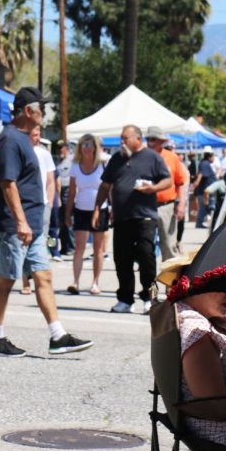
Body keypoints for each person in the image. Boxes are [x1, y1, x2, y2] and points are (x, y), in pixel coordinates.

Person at [0, 87, 92, 357]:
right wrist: (21, 222)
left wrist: (31, 224)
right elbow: (8, 184)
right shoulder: (9, 140)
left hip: (32, 226)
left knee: (43, 275)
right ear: (27, 111)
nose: (43, 113)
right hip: (15, 225)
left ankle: (58, 336)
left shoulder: (23, 140)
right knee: (6, 280)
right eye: (39, 108)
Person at [96, 125, 172, 314]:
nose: (122, 142)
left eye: (125, 138)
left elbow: (168, 181)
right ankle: (125, 300)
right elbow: (105, 185)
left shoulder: (152, 157)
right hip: (122, 217)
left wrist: (152, 189)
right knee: (122, 259)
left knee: (147, 258)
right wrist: (97, 208)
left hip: (145, 216)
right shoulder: (117, 159)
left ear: (138, 139)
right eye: (121, 138)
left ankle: (151, 298)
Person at [175, 288, 226, 448]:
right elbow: (213, 404)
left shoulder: (208, 316)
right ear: (195, 286)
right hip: (225, 429)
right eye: (223, 287)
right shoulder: (197, 330)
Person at [64, 135, 109, 295]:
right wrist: (67, 214)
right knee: (79, 248)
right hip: (81, 209)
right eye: (84, 145)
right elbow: (71, 192)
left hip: (100, 209)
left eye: (90, 145)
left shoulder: (103, 164)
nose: (87, 147)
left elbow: (109, 188)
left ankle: (95, 282)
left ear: (95, 147)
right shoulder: (75, 166)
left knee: (98, 249)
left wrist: (112, 211)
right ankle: (75, 282)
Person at [21, 126, 57, 294]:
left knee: (43, 240)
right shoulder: (20, 152)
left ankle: (39, 278)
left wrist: (49, 202)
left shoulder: (44, 153)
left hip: (43, 204)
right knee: (24, 242)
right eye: (34, 135)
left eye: (38, 135)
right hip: (26, 204)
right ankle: (25, 279)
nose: (37, 138)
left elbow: (51, 180)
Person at [146, 127, 188, 262]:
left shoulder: (172, 157)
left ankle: (170, 282)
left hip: (167, 207)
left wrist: (181, 204)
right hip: (146, 206)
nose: (149, 142)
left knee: (169, 247)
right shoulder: (142, 157)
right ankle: (149, 281)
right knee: (145, 246)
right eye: (148, 139)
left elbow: (181, 182)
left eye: (153, 139)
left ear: (161, 141)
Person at [54, 141, 75, 258]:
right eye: (58, 149)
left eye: (61, 148)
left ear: (67, 149)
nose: (59, 151)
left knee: (68, 220)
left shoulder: (72, 160)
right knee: (56, 224)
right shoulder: (57, 161)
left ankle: (70, 246)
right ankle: (54, 249)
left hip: (66, 191)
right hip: (56, 193)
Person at [193, 149, 217, 229]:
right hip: (204, 190)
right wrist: (196, 183)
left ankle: (200, 222)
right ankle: (199, 222)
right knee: (203, 207)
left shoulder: (205, 163)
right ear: (209, 156)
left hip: (205, 189)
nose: (214, 158)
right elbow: (201, 174)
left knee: (204, 207)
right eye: (213, 156)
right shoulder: (205, 164)